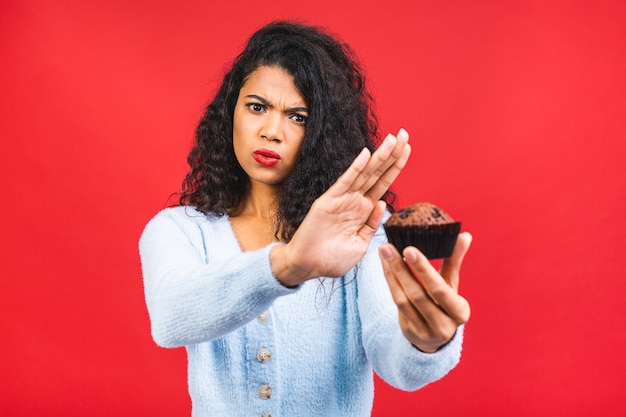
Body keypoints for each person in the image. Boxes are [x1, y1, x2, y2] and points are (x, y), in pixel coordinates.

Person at [139, 20, 472, 417]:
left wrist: (427, 342)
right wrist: (289, 264)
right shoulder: (180, 230)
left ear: (322, 134)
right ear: (231, 113)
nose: (271, 131)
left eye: (298, 117)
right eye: (257, 107)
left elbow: (394, 356)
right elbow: (172, 317)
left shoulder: (358, 235)